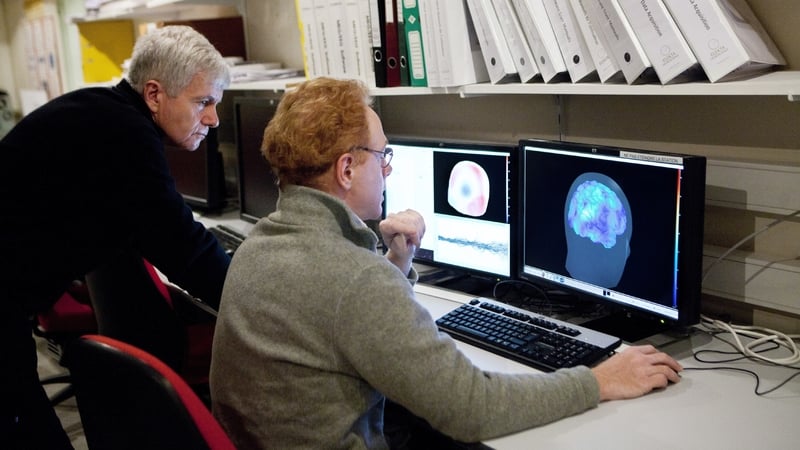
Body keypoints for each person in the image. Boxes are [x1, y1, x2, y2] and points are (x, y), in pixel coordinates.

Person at [209, 77, 683, 449]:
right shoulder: (353, 278)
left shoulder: (258, 246)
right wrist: (598, 380)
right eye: (382, 156)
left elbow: (335, 324)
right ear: (347, 169)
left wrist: (397, 262)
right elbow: (470, 407)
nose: (387, 169)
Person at [0, 26, 232, 449]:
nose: (214, 118)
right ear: (155, 94)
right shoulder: (124, 134)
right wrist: (264, 295)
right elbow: (184, 248)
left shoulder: (100, 112)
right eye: (204, 101)